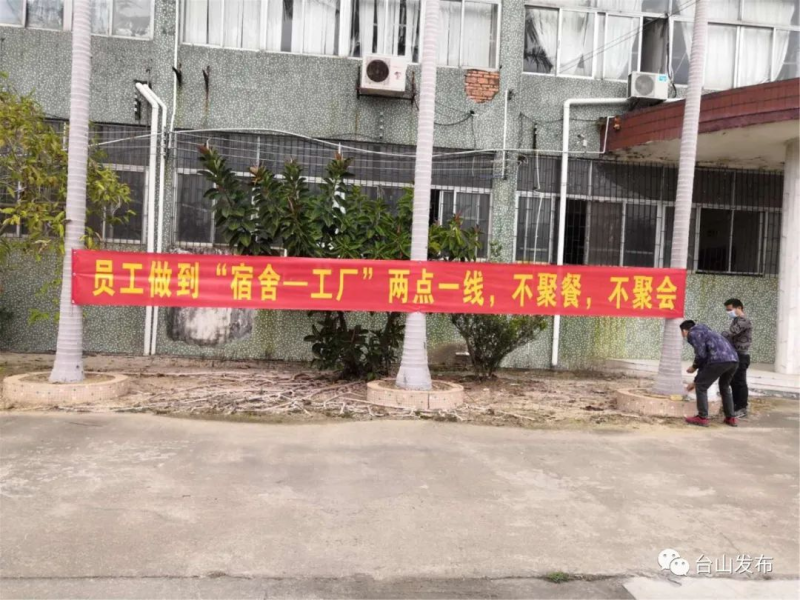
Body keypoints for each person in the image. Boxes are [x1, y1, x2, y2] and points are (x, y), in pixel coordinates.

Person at [681, 320, 739, 427]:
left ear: (684, 331)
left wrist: (694, 367)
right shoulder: (707, 331)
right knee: (724, 387)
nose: (683, 336)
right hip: (734, 359)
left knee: (701, 387)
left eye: (682, 333)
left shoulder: (693, 333)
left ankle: (702, 417)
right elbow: (705, 361)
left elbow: (701, 356)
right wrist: (696, 381)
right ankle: (731, 417)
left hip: (718, 360)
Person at [722, 298, 752, 418]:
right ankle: (735, 406)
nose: (728, 312)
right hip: (734, 354)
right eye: (727, 310)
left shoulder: (744, 320)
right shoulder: (736, 320)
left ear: (739, 308)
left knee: (740, 382)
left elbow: (731, 333)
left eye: (730, 310)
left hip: (741, 355)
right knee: (733, 381)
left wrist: (717, 335)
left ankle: (742, 408)